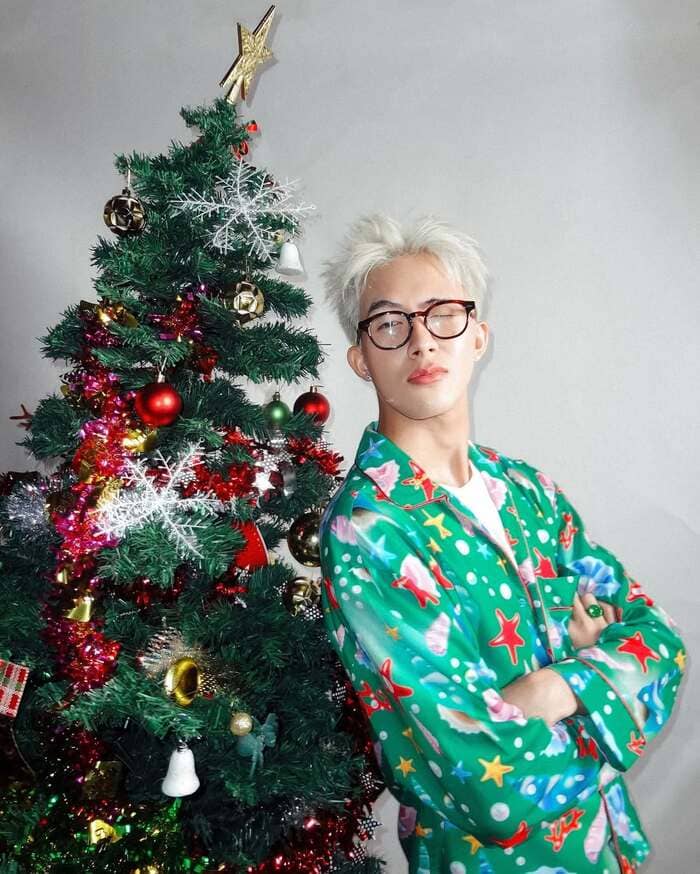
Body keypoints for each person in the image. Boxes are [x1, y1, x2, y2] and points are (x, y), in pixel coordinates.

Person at [317, 213, 687, 874]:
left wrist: (558, 686)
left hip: (607, 852)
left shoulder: (527, 491)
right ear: (361, 358)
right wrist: (609, 696)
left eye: (443, 316)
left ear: (478, 336)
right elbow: (491, 788)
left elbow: (662, 643)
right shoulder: (369, 531)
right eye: (391, 323)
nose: (421, 342)